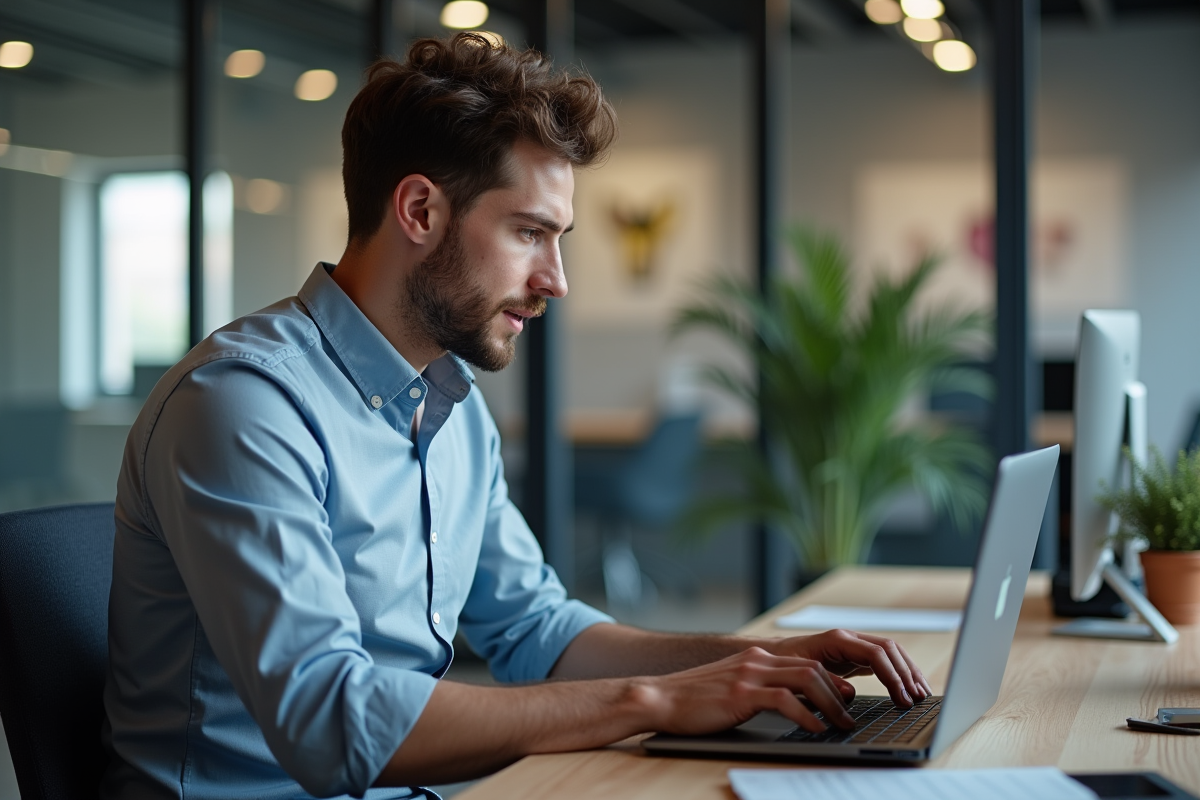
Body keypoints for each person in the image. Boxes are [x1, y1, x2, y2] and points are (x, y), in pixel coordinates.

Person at [101, 33, 932, 800]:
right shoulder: (243, 404)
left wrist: (755, 661)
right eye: (530, 233)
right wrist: (656, 701)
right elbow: (330, 722)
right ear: (420, 212)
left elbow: (540, 633)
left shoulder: (452, 408)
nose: (556, 280)